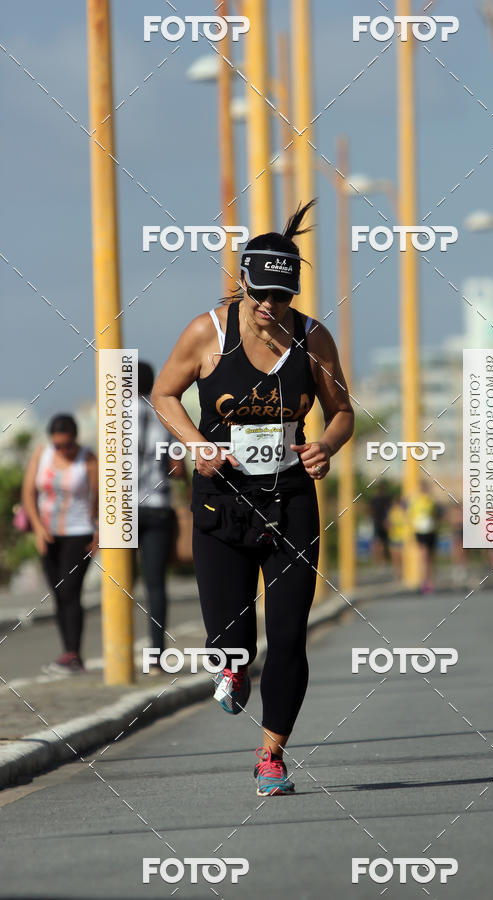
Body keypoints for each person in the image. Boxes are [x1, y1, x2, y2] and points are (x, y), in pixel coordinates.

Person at [151, 201, 354, 795]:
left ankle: (271, 755)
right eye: (261, 294)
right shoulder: (207, 333)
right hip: (222, 501)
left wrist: (325, 447)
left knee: (288, 634)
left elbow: (342, 411)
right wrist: (197, 446)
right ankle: (231, 667)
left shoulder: (312, 338)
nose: (270, 306)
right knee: (230, 638)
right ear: (242, 282)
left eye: (282, 297)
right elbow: (164, 395)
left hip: (290, 501)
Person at [21, 414, 98, 673]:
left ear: (75, 439)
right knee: (57, 592)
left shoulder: (87, 459)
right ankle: (67, 652)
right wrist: (37, 528)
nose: (62, 450)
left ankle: (74, 654)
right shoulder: (41, 454)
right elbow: (28, 492)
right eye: (58, 445)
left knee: (69, 591)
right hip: (48, 534)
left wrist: (98, 533)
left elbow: (99, 498)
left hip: (80, 532)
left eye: (67, 445)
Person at [137, 361, 186, 673]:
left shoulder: (113, 416)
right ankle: (156, 656)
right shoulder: (164, 414)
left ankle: (117, 651)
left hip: (121, 511)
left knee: (118, 583)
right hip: (157, 506)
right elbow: (177, 469)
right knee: (155, 585)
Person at [408, 481, 441, 593]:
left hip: (431, 531)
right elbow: (410, 516)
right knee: (423, 556)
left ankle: (430, 581)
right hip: (420, 532)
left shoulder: (431, 501)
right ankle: (424, 582)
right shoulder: (415, 501)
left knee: (430, 558)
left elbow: (435, 515)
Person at [368, 482, 392, 564]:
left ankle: (379, 559)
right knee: (379, 541)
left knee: (379, 541)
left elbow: (370, 510)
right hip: (380, 522)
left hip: (379, 522)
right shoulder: (384, 499)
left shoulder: (376, 499)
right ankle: (380, 559)